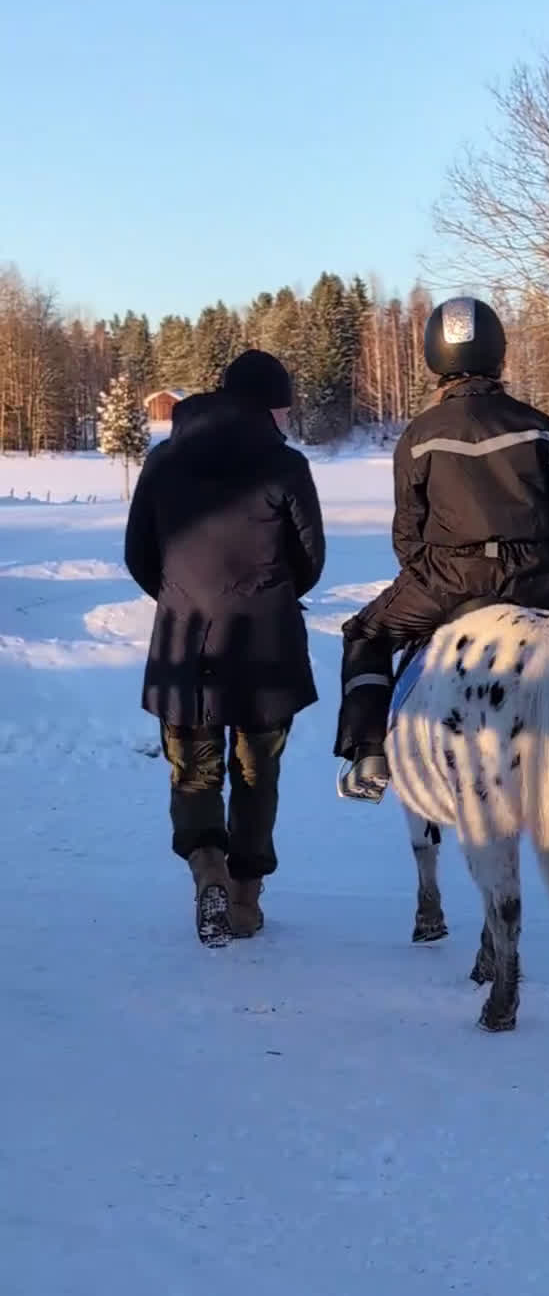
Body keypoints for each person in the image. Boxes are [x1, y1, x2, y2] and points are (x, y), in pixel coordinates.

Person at [335, 296, 549, 800]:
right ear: (498, 351)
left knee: (365, 632)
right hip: (531, 582)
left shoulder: (419, 435)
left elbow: (408, 533)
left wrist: (431, 570)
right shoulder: (536, 424)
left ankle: (368, 756)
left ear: (436, 357)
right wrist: (537, 561)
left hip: (446, 582)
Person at [124, 350, 325, 945]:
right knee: (257, 771)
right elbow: (309, 559)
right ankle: (243, 898)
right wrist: (270, 594)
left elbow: (139, 552)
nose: (288, 418)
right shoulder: (285, 465)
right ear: (269, 407)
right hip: (268, 643)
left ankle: (207, 868)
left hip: (184, 643)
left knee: (194, 770)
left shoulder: (163, 460)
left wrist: (180, 595)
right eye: (285, 407)